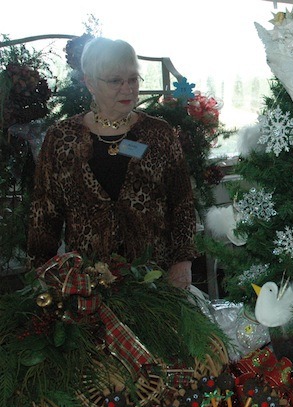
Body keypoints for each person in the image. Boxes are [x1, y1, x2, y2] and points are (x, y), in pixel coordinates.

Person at [27, 37, 198, 289]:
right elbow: (44, 214)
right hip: (88, 286)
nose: (128, 89)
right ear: (90, 83)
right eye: (116, 81)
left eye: (132, 79)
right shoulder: (61, 139)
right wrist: (42, 275)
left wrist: (183, 260)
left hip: (155, 282)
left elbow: (182, 202)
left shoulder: (158, 134)